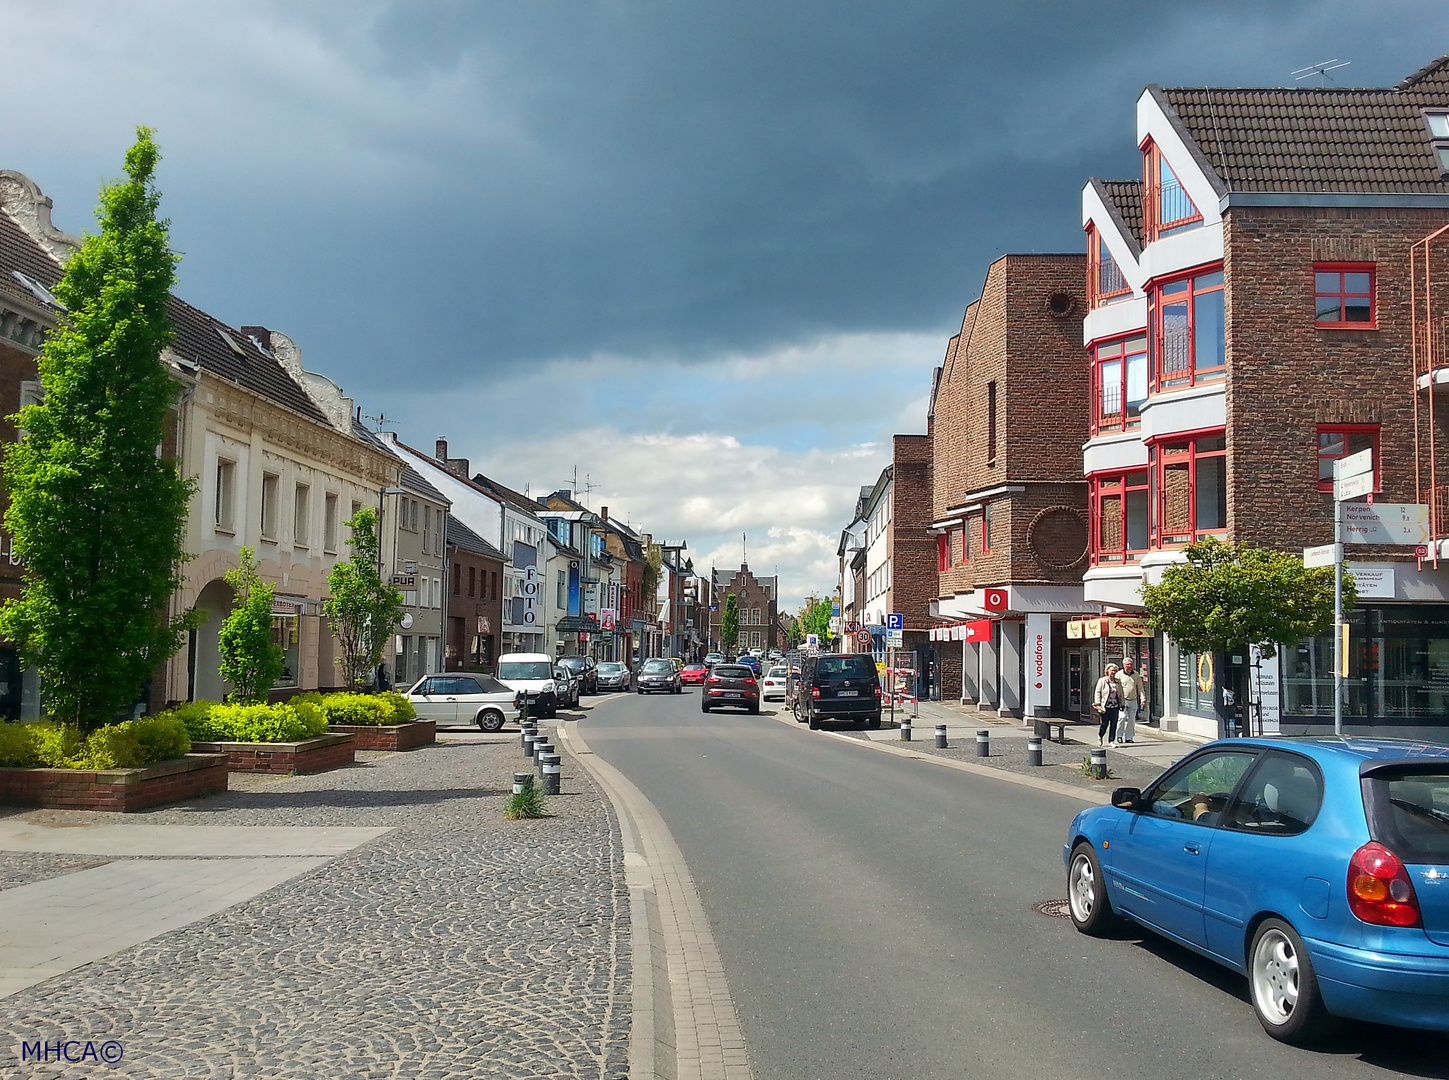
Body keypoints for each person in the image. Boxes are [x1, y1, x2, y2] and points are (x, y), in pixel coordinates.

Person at [1115, 658, 1146, 744]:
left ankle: (1129, 737)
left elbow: (1140, 688)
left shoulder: (1136, 675)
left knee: (1131, 720)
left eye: (1131, 664)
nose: (1129, 666)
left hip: (1133, 700)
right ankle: (1119, 736)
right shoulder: (1119, 675)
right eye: (1127, 664)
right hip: (1123, 700)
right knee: (1122, 717)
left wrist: (1143, 699)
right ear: (1123, 665)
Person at [1093, 663, 1121, 745]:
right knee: (1104, 723)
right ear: (1107, 671)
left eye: (1115, 671)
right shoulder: (1102, 681)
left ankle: (1111, 741)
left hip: (1115, 705)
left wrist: (1122, 703)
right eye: (1112, 670)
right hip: (1105, 706)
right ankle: (1100, 735)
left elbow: (1120, 693)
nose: (1113, 672)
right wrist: (1097, 703)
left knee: (1114, 724)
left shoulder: (1117, 681)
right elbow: (1097, 692)